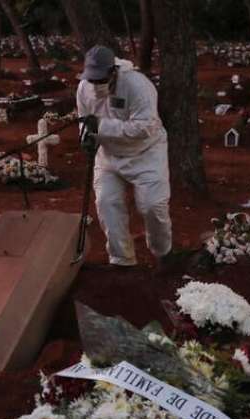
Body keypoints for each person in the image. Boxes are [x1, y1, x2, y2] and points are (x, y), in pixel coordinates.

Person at [76, 45, 172, 267]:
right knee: (107, 203)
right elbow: (84, 121)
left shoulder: (137, 86)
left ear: (113, 71)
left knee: (152, 206)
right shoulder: (83, 89)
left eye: (101, 79)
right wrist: (86, 138)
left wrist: (101, 126)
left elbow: (145, 127)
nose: (96, 84)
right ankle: (122, 259)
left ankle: (163, 252)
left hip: (145, 153)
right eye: (92, 79)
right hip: (108, 155)